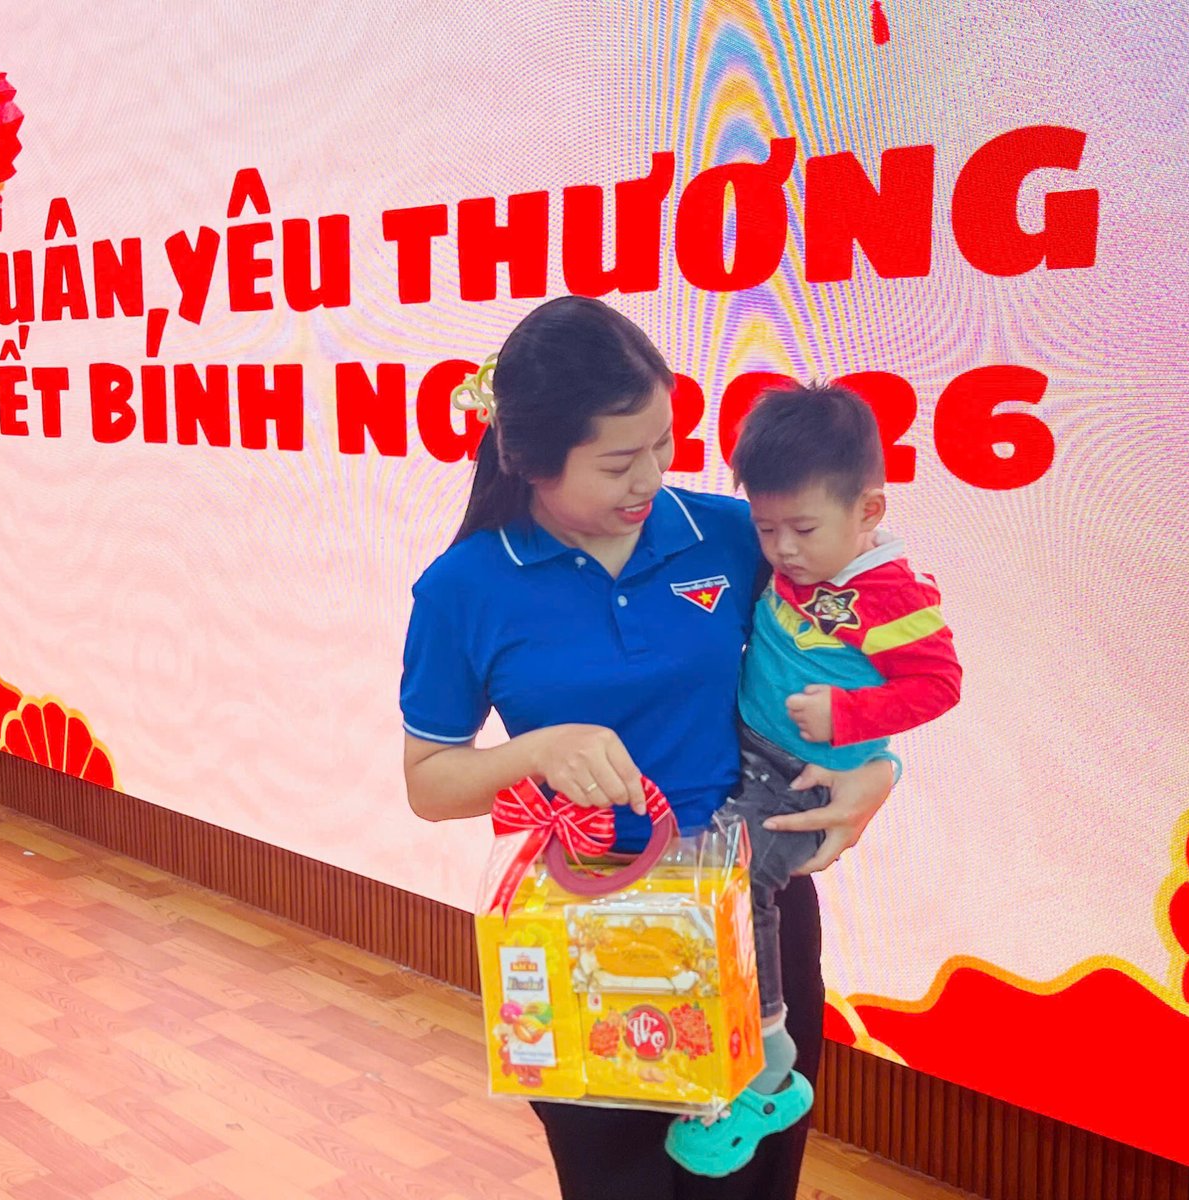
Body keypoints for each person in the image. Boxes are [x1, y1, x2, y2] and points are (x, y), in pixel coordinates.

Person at [398, 296, 897, 1200]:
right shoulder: (461, 590)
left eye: (664, 444)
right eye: (619, 462)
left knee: (749, 1182)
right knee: (615, 1183)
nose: (652, 478)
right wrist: (538, 751)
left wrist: (881, 768)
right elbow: (430, 784)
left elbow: (876, 638)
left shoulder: (731, 537)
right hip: (579, 928)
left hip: (749, 915)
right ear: (532, 460)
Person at [664, 383, 962, 1177]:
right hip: (744, 747)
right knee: (702, 873)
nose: (784, 550)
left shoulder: (893, 595)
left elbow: (940, 685)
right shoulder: (795, 560)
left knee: (740, 883)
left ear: (869, 510)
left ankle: (769, 1068)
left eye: (802, 529)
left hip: (799, 775)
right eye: (767, 529)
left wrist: (850, 716)